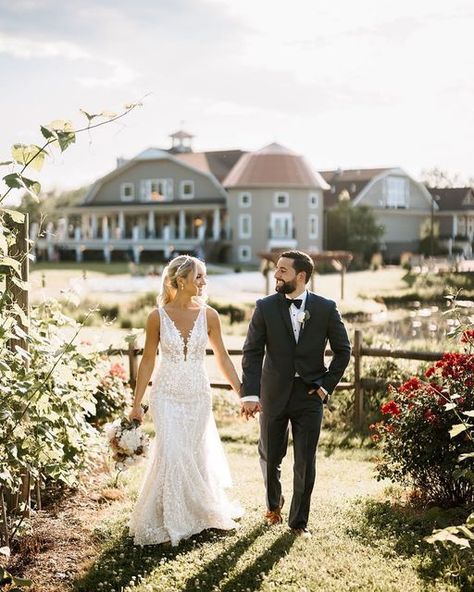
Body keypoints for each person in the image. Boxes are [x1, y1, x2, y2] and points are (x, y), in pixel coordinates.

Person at [128, 255, 243, 546]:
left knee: (193, 453)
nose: (204, 282)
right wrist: (136, 403)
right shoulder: (157, 316)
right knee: (173, 452)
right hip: (165, 393)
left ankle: (197, 513)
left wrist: (243, 393)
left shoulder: (210, 315)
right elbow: (147, 362)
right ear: (181, 280)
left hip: (197, 395)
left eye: (204, 276)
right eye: (199, 277)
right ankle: (172, 523)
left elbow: (223, 358)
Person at [240, 250, 351, 538]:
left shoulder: (326, 308)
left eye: (283, 271)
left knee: (305, 459)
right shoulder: (264, 307)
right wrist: (250, 394)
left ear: (300, 276)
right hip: (272, 393)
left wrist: (325, 385)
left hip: (310, 396)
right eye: (276, 269)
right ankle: (273, 506)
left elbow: (343, 351)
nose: (276, 275)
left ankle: (299, 523)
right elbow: (252, 353)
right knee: (270, 455)